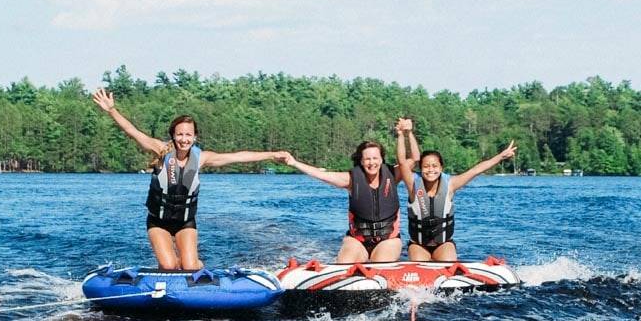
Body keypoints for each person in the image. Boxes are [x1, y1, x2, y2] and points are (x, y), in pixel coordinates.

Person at [92, 89, 287, 270]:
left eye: (188, 135)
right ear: (173, 136)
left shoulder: (201, 158)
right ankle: (166, 276)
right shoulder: (161, 150)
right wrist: (111, 110)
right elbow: (132, 132)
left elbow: (239, 156)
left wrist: (271, 154)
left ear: (195, 137)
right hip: (158, 221)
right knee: (169, 266)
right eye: (180, 134)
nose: (184, 139)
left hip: (185, 222)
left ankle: (196, 269)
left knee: (190, 267)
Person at [282, 119, 418, 263]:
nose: (372, 163)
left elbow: (414, 159)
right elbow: (322, 175)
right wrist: (294, 163)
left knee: (381, 264)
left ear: (381, 159)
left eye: (375, 158)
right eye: (367, 159)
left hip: (388, 240)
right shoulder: (351, 179)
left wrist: (407, 133)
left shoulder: (393, 174)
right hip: (357, 241)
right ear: (361, 161)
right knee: (345, 263)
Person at [396, 119, 516, 261]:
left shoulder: (451, 184)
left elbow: (476, 170)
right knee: (419, 264)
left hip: (444, 244)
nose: (430, 170)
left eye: (434, 166)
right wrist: (402, 134)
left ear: (441, 168)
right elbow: (402, 162)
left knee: (448, 262)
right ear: (421, 169)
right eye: (426, 166)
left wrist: (501, 156)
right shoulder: (413, 185)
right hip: (418, 245)